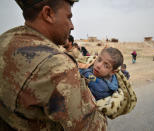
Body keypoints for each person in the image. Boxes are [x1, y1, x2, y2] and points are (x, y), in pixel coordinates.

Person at [0, 0, 107, 130]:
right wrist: (105, 109)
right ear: (48, 13)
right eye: (68, 17)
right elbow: (91, 127)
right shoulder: (57, 65)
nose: (72, 26)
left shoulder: (5, 40)